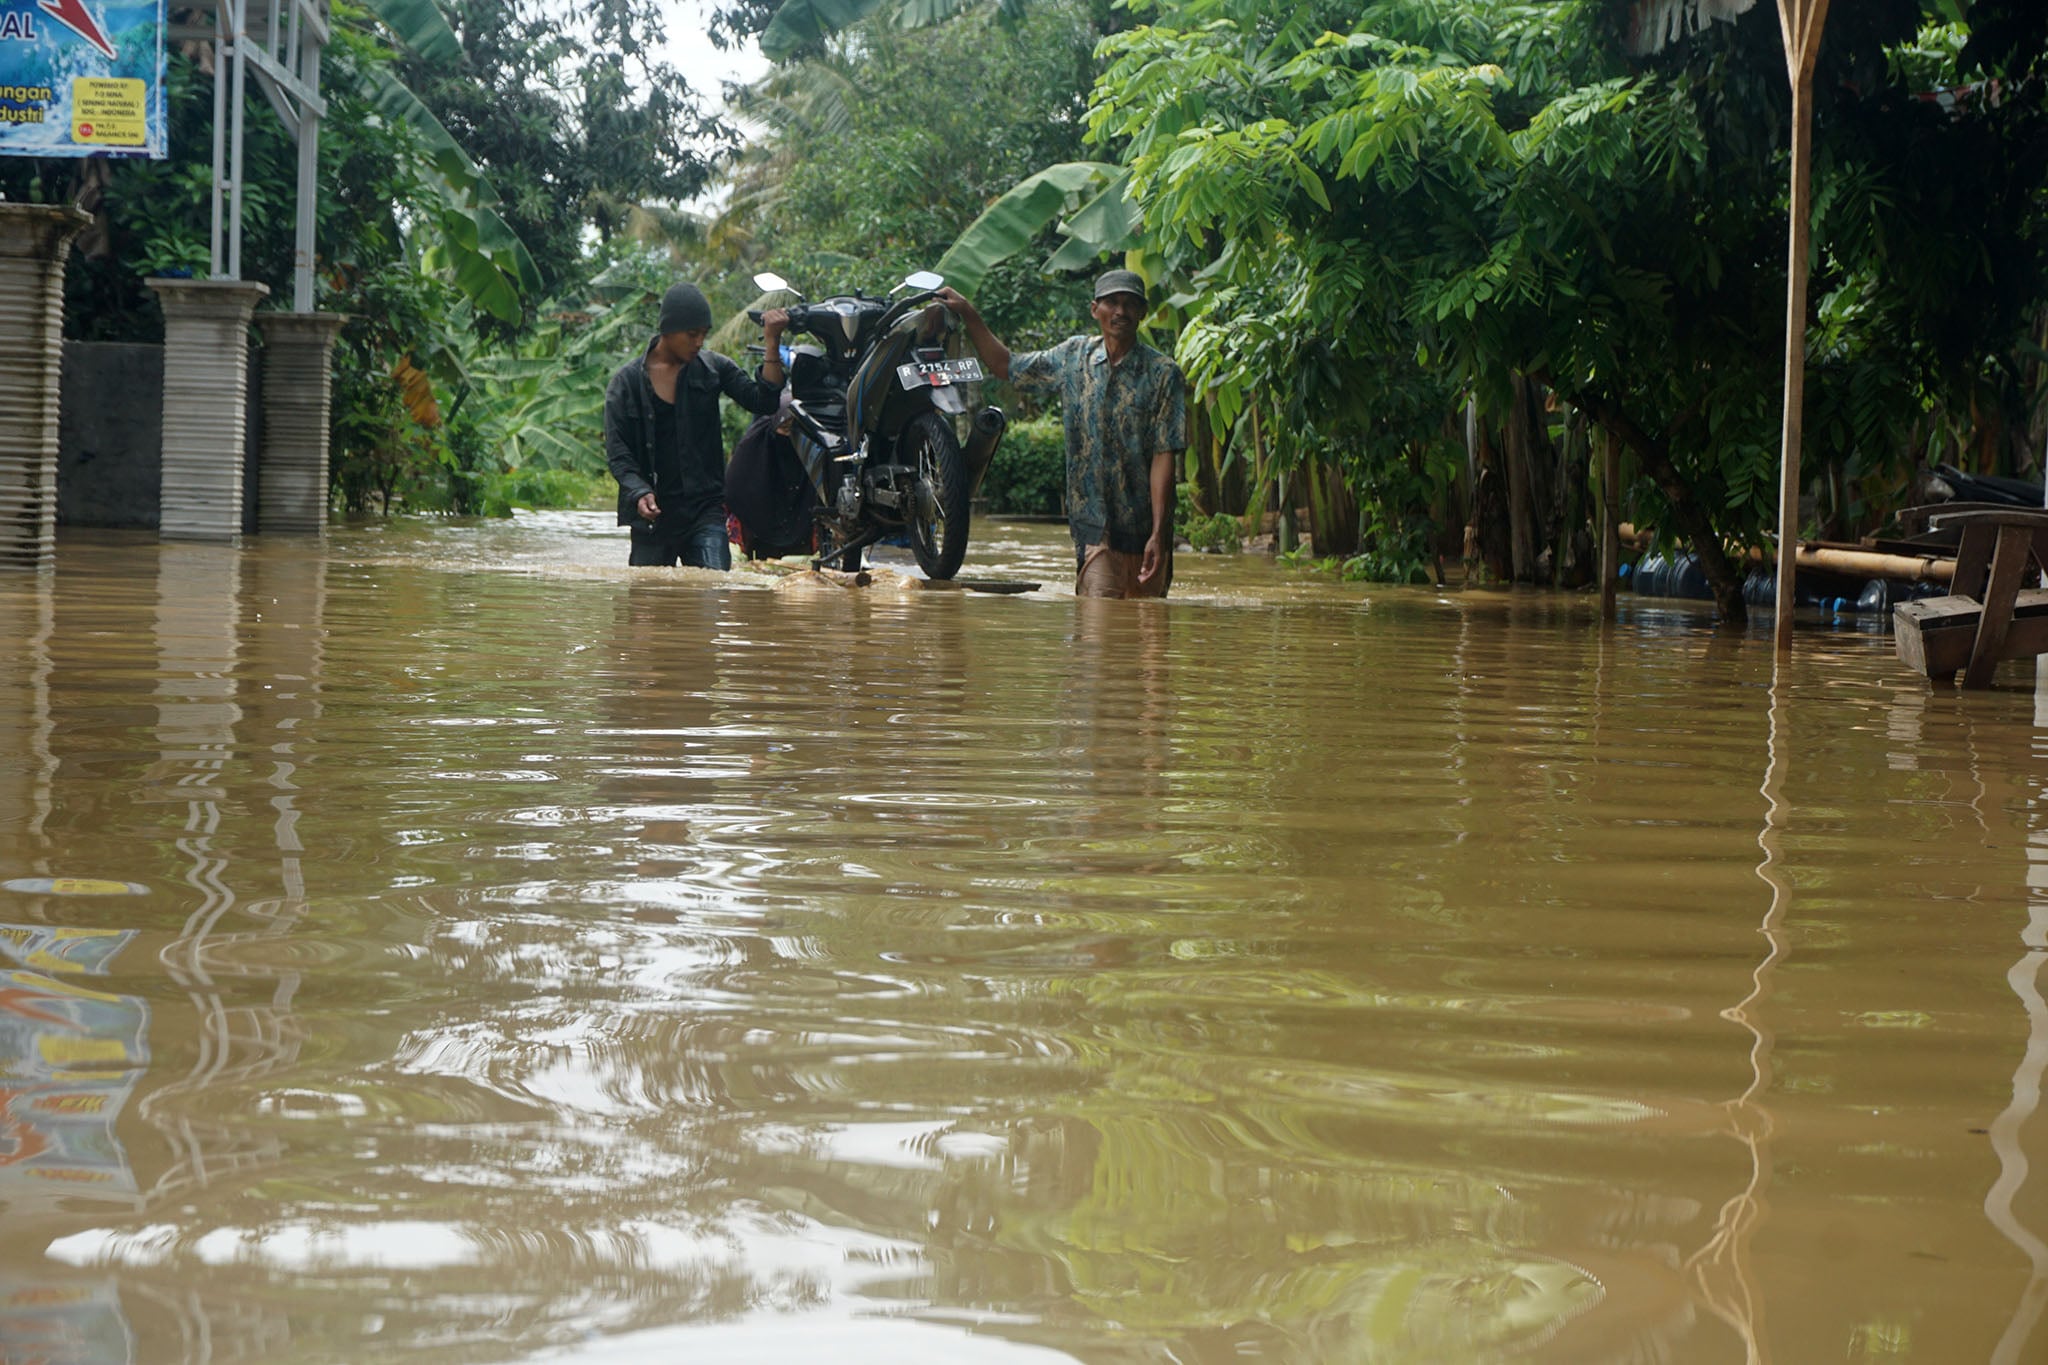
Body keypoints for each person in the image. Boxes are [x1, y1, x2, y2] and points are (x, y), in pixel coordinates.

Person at [937, 269, 1186, 598]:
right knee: (1099, 624)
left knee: (1148, 626)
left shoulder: (1163, 374)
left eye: (1130, 304)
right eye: (1112, 302)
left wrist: (1158, 533)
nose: (1121, 311)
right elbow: (1006, 365)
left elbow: (1164, 455)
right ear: (1095, 309)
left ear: (1142, 312)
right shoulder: (1073, 357)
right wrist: (968, 312)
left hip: (1146, 531)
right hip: (1095, 531)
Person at [605, 282, 789, 568]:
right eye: (692, 334)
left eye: (704, 334)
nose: (699, 342)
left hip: (705, 510)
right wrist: (639, 491)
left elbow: (763, 402)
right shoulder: (625, 383)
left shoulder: (715, 368)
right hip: (652, 518)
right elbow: (619, 454)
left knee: (713, 586)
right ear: (668, 330)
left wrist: (772, 342)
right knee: (647, 593)